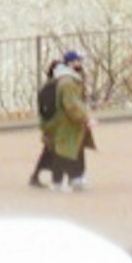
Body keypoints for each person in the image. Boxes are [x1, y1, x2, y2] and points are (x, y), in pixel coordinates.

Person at [46, 52, 96, 193]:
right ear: (70, 63)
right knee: (70, 150)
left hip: (61, 122)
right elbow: (72, 104)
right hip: (67, 123)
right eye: (77, 61)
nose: (79, 64)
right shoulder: (68, 82)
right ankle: (69, 179)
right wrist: (85, 118)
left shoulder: (61, 79)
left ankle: (68, 179)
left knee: (67, 150)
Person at [29, 60, 67, 190]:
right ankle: (54, 178)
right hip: (53, 125)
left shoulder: (52, 86)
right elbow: (47, 109)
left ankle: (39, 176)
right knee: (53, 151)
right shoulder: (52, 87)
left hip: (52, 124)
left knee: (50, 151)